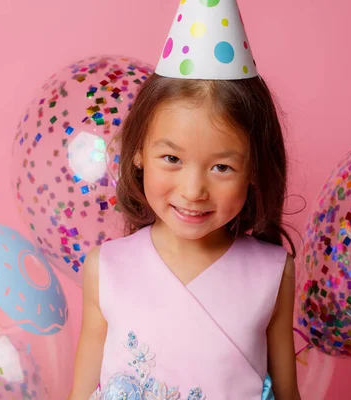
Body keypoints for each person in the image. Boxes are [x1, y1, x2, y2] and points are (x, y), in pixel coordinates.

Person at [68, 0, 301, 398]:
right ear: (138, 152)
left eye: (222, 167)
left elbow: (286, 393)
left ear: (254, 170)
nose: (194, 191)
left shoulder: (273, 273)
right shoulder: (106, 270)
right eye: (172, 158)